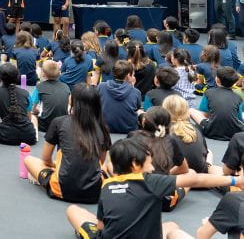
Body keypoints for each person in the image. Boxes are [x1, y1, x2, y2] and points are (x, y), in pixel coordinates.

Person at [64, 137, 244, 239]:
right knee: (172, 226)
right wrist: (235, 181)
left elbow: (101, 226)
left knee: (73, 210)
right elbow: (195, 180)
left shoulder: (107, 185)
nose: (152, 167)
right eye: (149, 163)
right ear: (135, 164)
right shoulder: (151, 181)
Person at [163, 95, 215, 175]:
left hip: (175, 175)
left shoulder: (162, 131)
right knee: (210, 153)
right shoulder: (196, 129)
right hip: (200, 173)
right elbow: (204, 153)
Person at [0, 62, 37, 145]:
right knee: (34, 118)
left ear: (0, 77)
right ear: (17, 76)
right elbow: (29, 118)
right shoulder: (26, 93)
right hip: (29, 136)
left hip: (5, 136)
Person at [191, 65, 244, 140]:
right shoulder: (238, 97)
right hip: (234, 133)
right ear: (233, 83)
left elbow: (205, 114)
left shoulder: (209, 92)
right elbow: (239, 118)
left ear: (217, 80)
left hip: (210, 131)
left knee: (191, 110)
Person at [97, 60, 142, 134]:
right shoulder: (135, 92)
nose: (134, 77)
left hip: (104, 130)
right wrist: (132, 87)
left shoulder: (101, 87)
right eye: (133, 75)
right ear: (128, 75)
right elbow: (136, 108)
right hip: (129, 132)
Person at [29, 60, 71, 133]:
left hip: (45, 126)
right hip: (62, 125)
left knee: (32, 115)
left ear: (43, 74)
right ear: (59, 73)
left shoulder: (39, 86)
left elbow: (33, 108)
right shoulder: (66, 87)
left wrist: (37, 111)